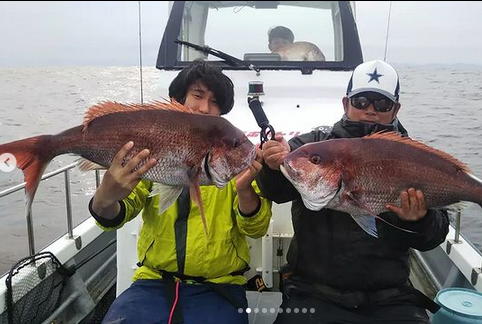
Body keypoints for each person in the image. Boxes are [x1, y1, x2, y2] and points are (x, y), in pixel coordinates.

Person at [256, 60, 449, 323]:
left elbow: (433, 237)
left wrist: (420, 219)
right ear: (346, 104)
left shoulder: (413, 157)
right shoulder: (312, 147)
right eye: (361, 101)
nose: (370, 110)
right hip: (313, 292)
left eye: (382, 104)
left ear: (395, 109)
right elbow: (275, 191)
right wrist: (272, 166)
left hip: (391, 298)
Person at [90, 60, 272, 324]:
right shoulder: (155, 146)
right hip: (152, 282)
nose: (204, 107)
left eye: (215, 102)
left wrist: (244, 190)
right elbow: (120, 212)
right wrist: (104, 198)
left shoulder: (232, 152)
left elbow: (255, 229)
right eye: (197, 96)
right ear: (179, 100)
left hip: (220, 287)